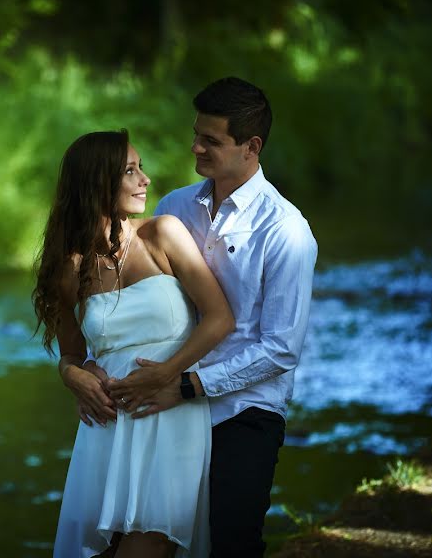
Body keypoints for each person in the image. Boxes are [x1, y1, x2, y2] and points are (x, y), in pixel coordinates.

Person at [108, 77, 319, 557]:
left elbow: (281, 349)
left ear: (252, 146)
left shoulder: (286, 230)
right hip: (164, 400)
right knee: (141, 537)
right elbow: (147, 306)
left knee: (230, 543)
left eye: (212, 140)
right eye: (196, 133)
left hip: (244, 413)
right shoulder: (174, 207)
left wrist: (186, 384)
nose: (195, 146)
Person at [33, 129, 235, 558]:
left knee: (149, 543)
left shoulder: (162, 234)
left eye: (140, 167)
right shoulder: (68, 270)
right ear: (96, 184)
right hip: (107, 424)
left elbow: (219, 318)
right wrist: (73, 376)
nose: (145, 179)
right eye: (130, 171)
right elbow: (71, 353)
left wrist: (167, 372)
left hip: (168, 414)